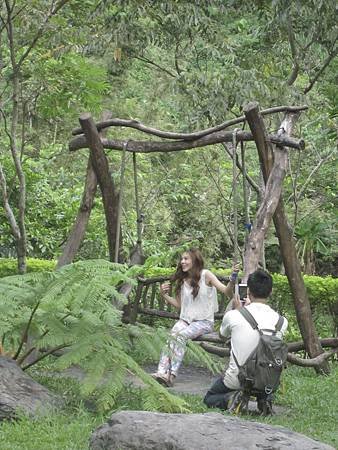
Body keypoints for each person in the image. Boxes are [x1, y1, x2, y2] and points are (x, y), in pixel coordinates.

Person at [152, 248, 239, 387]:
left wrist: (233, 278)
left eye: (186, 259)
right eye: (181, 259)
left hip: (203, 322)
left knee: (180, 336)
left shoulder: (206, 275)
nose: (182, 262)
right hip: (185, 320)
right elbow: (179, 305)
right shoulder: (182, 280)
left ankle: (171, 375)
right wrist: (164, 295)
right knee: (171, 336)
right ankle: (161, 373)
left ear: (195, 260)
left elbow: (227, 292)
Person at [203, 269, 288, 412]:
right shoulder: (282, 321)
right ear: (271, 291)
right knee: (265, 373)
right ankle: (264, 399)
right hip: (267, 381)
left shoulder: (233, 315)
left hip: (239, 379)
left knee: (210, 397)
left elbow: (222, 336)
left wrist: (239, 310)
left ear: (248, 291)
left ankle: (230, 399)